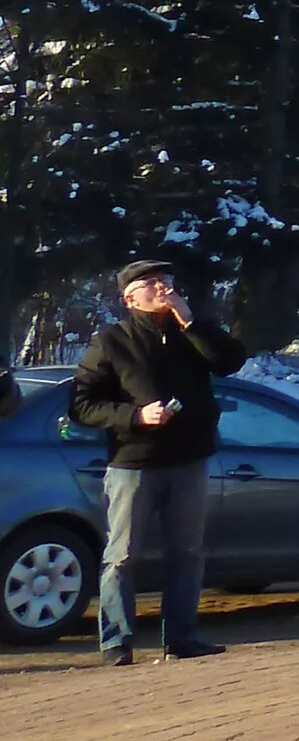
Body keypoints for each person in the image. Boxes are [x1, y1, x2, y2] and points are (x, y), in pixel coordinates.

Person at [68, 259, 248, 664]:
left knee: (186, 551)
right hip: (135, 463)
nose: (164, 288)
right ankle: (116, 643)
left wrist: (189, 321)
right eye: (152, 283)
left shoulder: (192, 334)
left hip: (189, 459)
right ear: (131, 297)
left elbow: (230, 361)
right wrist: (135, 416)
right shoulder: (112, 341)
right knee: (122, 556)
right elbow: (82, 405)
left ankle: (181, 639)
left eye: (168, 280)